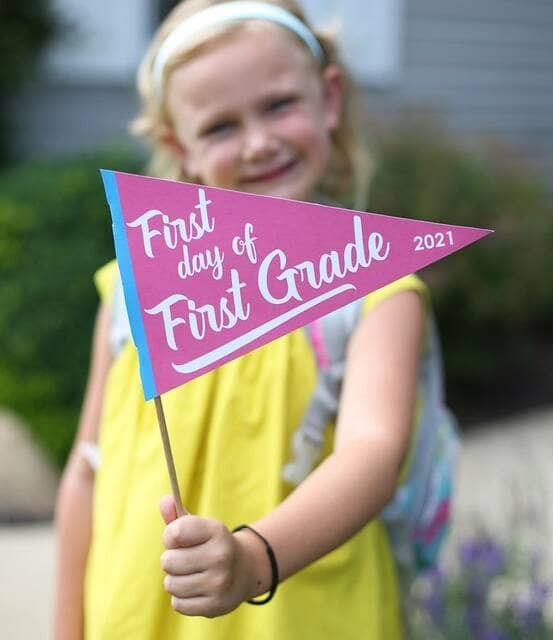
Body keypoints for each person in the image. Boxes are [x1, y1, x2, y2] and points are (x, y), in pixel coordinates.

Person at [53, 1, 429, 638]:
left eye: (280, 105)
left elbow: (373, 452)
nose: (259, 142)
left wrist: (252, 561)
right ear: (181, 148)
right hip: (134, 615)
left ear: (329, 98)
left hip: (307, 618)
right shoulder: (131, 292)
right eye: (221, 126)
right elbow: (88, 471)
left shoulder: (375, 289)